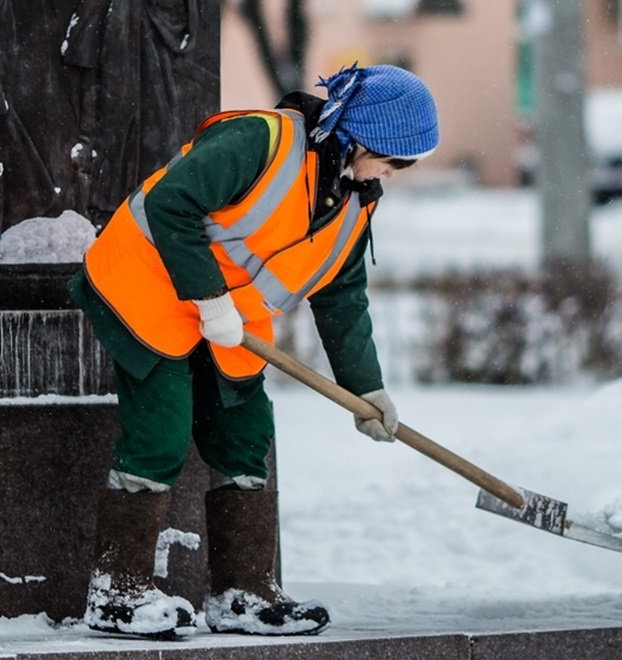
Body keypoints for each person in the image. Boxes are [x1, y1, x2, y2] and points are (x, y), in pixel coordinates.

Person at [68, 63, 438, 639]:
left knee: (245, 434)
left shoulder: (356, 197)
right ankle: (115, 593)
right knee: (161, 430)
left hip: (233, 320)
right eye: (393, 159)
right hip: (149, 284)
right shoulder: (260, 141)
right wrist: (208, 298)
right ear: (358, 136)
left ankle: (242, 594)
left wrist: (365, 387)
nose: (394, 173)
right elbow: (171, 205)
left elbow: (341, 294)